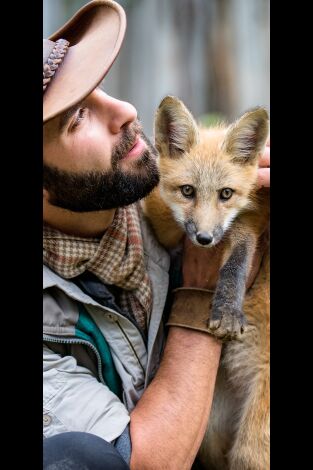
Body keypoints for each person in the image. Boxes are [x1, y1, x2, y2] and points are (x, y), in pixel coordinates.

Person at [43, 1, 270, 469]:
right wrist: (200, 291)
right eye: (77, 117)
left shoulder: (153, 210)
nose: (126, 110)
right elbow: (147, 460)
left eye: (102, 89)